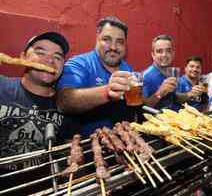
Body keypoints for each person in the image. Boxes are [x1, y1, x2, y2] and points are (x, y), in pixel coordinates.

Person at [0, 31, 70, 193]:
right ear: (23, 57)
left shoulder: (68, 104)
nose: (50, 60)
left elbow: (68, 150)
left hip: (44, 189)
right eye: (40, 52)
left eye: (58, 57)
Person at [56, 16, 135, 138]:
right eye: (107, 39)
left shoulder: (128, 68)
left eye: (120, 42)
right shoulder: (79, 63)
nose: (113, 47)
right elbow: (65, 101)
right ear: (97, 39)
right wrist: (107, 91)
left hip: (123, 142)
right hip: (88, 147)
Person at [143, 34, 178, 110]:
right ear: (153, 55)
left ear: (173, 54)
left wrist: (189, 94)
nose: (164, 55)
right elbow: (143, 108)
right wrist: (160, 92)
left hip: (172, 118)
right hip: (153, 120)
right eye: (159, 51)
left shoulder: (172, 73)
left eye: (168, 51)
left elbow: (174, 98)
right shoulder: (146, 76)